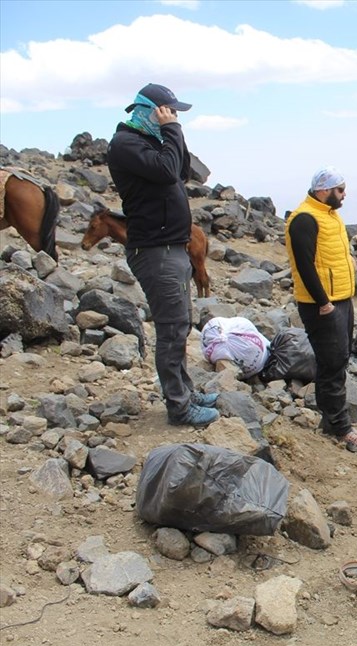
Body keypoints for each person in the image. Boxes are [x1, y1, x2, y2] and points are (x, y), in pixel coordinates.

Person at [106, 83, 219, 427]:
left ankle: (185, 391)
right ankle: (180, 408)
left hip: (172, 247)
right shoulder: (126, 144)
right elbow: (168, 171)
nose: (173, 118)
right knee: (171, 330)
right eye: (168, 111)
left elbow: (182, 169)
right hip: (154, 250)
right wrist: (171, 130)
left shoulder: (149, 141)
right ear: (149, 111)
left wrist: (172, 132)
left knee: (180, 325)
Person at [286, 166, 357, 456]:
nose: (344, 194)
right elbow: (305, 266)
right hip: (322, 304)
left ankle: (331, 421)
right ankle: (341, 427)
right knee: (333, 361)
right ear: (323, 190)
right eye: (339, 189)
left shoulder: (329, 215)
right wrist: (323, 302)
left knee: (338, 358)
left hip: (340, 299)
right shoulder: (305, 219)